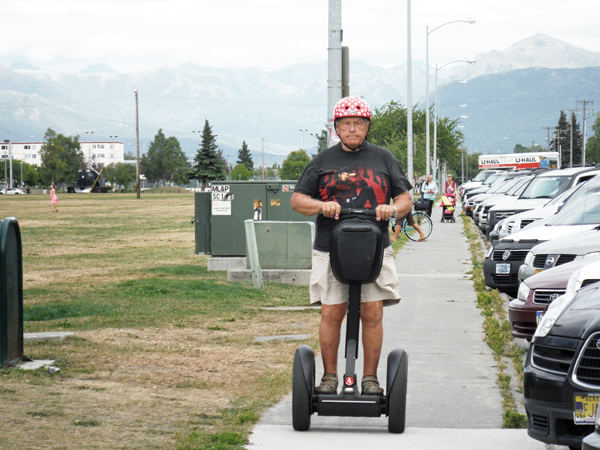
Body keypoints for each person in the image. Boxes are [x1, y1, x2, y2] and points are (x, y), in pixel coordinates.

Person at [291, 96, 413, 395]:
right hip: (330, 247)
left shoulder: (383, 158)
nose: (352, 130)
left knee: (372, 313)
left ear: (367, 127)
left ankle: (370, 379)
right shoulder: (322, 161)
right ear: (337, 128)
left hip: (374, 247)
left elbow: (406, 198)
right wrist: (321, 205)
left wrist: (392, 210)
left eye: (358, 124)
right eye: (346, 124)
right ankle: (330, 377)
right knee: (332, 312)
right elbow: (297, 200)